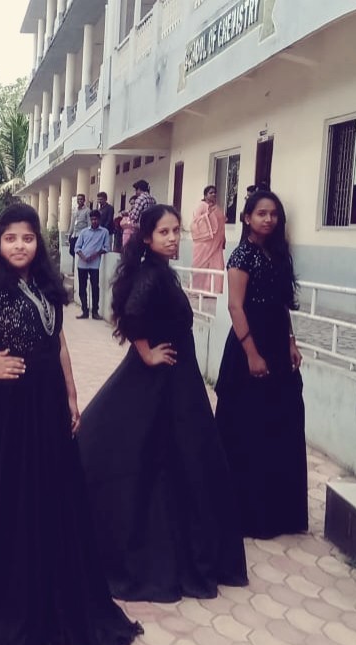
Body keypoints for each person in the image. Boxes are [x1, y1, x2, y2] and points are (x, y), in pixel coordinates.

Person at [0, 202, 142, 645]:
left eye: (27, 238)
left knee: (50, 495)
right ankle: (7, 601)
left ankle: (51, 596)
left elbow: (58, 342)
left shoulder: (46, 285)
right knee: (11, 499)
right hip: (5, 410)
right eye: (10, 238)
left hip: (46, 404)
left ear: (37, 242)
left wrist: (71, 394)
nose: (20, 246)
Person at [78, 204, 247, 603]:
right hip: (162, 376)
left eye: (176, 231)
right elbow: (130, 314)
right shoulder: (151, 274)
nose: (172, 239)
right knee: (159, 457)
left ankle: (177, 541)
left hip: (177, 378)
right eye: (163, 232)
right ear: (147, 237)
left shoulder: (160, 271)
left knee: (178, 459)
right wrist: (147, 352)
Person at [215, 190, 308, 539]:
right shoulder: (242, 255)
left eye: (274, 214)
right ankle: (246, 514)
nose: (268, 219)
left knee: (281, 422)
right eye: (261, 213)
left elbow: (282, 303)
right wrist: (252, 354)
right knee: (248, 427)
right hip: (249, 346)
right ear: (247, 218)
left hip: (278, 344)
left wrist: (291, 341)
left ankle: (280, 512)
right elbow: (235, 307)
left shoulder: (278, 254)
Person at [74, 209, 111, 320]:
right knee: (82, 288)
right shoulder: (84, 232)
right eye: (92, 219)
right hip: (82, 264)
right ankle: (84, 311)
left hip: (95, 265)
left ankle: (95, 312)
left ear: (99, 219)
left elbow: (107, 248)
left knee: (95, 288)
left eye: (96, 219)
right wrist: (83, 257)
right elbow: (77, 247)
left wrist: (96, 254)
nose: (94, 221)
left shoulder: (104, 232)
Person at [190, 185, 226, 292]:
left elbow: (221, 225)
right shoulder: (202, 206)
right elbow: (195, 223)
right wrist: (207, 215)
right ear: (205, 195)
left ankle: (214, 290)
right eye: (211, 192)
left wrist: (224, 238)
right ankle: (197, 289)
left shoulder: (217, 208)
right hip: (204, 244)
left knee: (218, 266)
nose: (213, 194)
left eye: (215, 192)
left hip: (217, 244)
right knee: (201, 265)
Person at [67, 193, 91, 268]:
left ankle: (78, 268)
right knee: (72, 251)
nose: (79, 201)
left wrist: (88, 235)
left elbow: (89, 224)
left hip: (82, 235)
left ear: (84, 200)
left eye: (81, 199)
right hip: (74, 234)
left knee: (79, 252)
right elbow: (72, 223)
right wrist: (69, 234)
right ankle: (75, 267)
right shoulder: (75, 210)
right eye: (78, 199)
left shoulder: (87, 210)